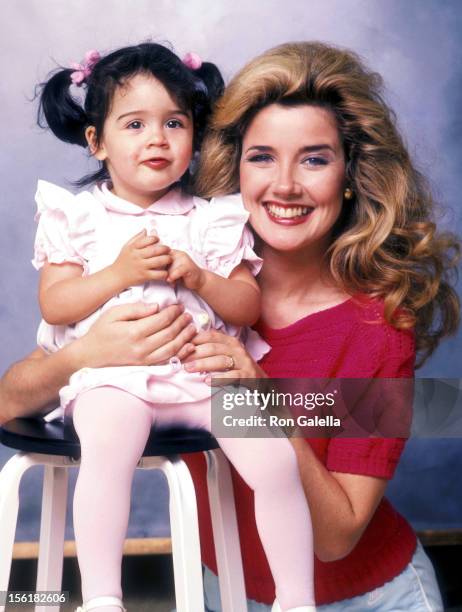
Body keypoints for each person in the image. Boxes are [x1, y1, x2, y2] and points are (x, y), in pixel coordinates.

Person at [0, 40, 459, 611]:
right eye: (262, 156)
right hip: (225, 591)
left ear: (350, 175)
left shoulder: (377, 326)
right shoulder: (167, 271)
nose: (285, 185)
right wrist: (83, 354)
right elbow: (8, 401)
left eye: (315, 159)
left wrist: (259, 399)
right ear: (233, 164)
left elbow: (338, 538)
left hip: (367, 597)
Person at [28, 41, 316, 612]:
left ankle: (296, 599)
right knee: (108, 444)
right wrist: (117, 274)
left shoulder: (213, 218)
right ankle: (104, 596)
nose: (157, 139)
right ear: (97, 141)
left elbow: (246, 307)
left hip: (201, 379)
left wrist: (202, 279)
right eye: (134, 124)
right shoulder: (79, 217)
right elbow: (57, 305)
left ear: (194, 137)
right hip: (115, 378)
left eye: (174, 123)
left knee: (277, 460)